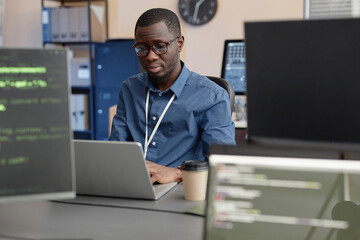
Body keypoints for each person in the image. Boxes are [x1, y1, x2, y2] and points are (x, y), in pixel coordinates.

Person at [109, 8, 235, 184]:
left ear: (180, 44)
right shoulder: (130, 88)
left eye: (160, 47)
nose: (150, 57)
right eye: (142, 48)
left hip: (180, 190)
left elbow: (225, 166)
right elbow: (115, 151)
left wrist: (176, 173)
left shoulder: (211, 96)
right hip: (131, 185)